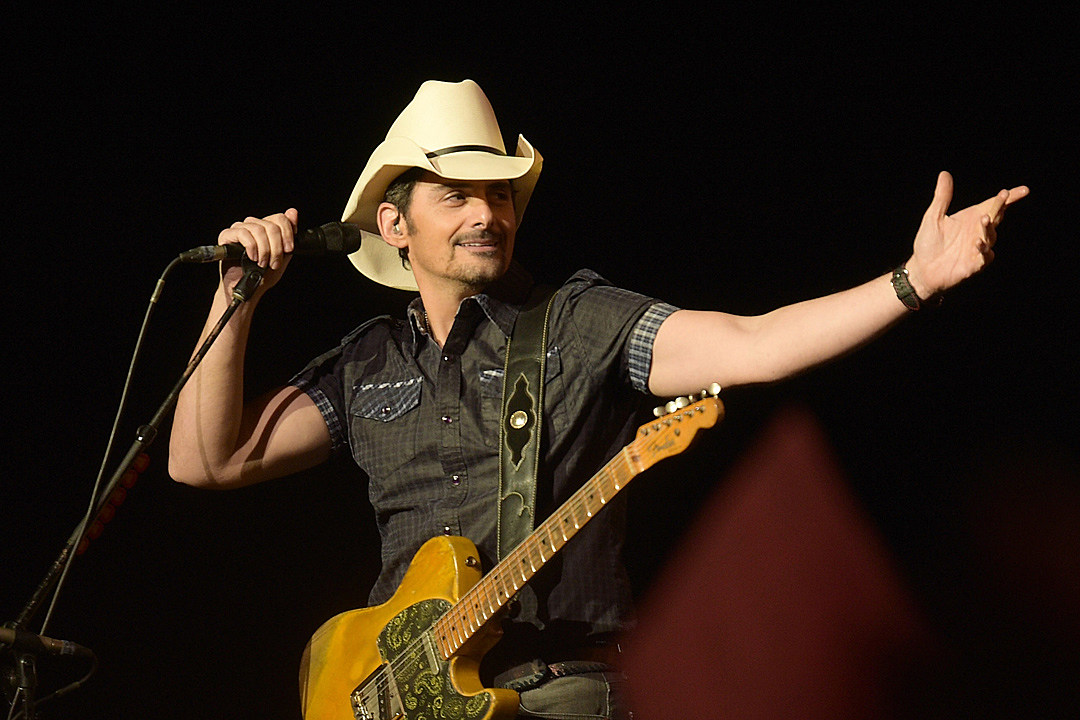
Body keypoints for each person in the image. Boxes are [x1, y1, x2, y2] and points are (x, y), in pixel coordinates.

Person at [168, 79, 1027, 719]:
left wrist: (912, 282)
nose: (486, 213)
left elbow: (753, 344)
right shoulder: (367, 362)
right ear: (396, 225)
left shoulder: (575, 321)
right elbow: (205, 461)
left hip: (561, 690)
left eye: (499, 192)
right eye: (455, 195)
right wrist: (235, 296)